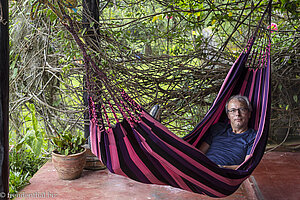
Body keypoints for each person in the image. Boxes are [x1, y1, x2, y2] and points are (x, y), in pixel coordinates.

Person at [199, 95, 256, 169]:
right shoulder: (218, 128)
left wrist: (222, 168)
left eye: (242, 109)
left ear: (249, 114)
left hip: (224, 174)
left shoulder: (253, 137)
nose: (237, 114)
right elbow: (199, 154)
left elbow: (246, 167)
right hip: (202, 169)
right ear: (228, 115)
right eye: (233, 110)